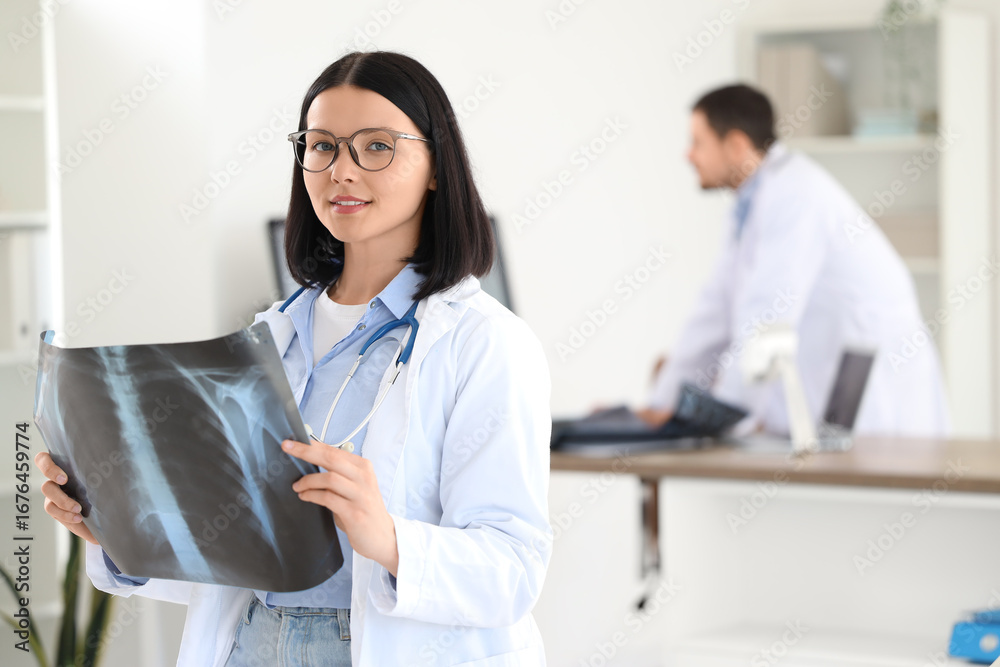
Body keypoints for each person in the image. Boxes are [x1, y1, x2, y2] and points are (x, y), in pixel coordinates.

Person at [35, 51, 553, 666]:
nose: (342, 170)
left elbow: (513, 569)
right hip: (251, 642)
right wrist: (123, 527)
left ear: (436, 166)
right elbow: (231, 550)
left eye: (377, 147)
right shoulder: (269, 336)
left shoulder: (485, 343)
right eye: (322, 146)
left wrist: (388, 540)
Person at [641, 84, 949, 437]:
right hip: (831, 399)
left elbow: (767, 316)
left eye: (698, 142)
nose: (688, 155)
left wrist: (721, 414)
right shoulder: (750, 206)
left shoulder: (794, 195)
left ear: (737, 145)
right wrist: (660, 404)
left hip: (877, 398)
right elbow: (713, 315)